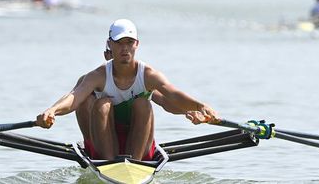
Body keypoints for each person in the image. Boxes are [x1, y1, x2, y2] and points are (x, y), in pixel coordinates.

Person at [36, 19, 219, 161]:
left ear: (137, 44)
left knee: (143, 104)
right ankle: (108, 164)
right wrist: (52, 111)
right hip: (103, 142)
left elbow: (170, 96)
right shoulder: (97, 76)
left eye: (129, 42)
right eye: (119, 43)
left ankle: (134, 165)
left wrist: (198, 107)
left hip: (139, 145)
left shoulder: (148, 75)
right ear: (110, 45)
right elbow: (74, 98)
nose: (125, 48)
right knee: (101, 104)